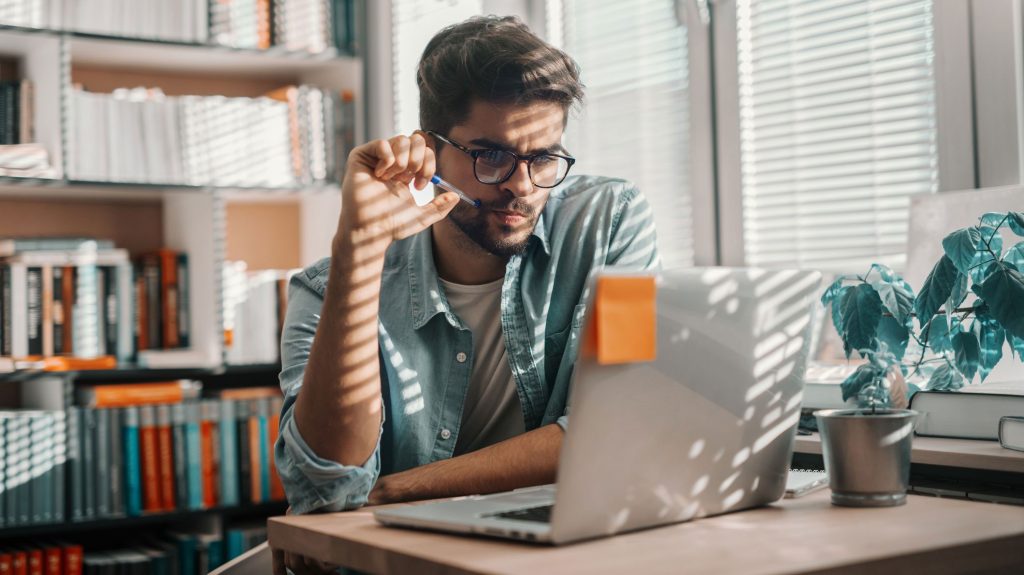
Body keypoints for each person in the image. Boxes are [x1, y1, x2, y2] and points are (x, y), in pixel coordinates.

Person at [272, 15, 659, 574]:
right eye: (491, 155)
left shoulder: (611, 223)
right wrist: (359, 248)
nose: (522, 187)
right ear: (430, 152)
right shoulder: (323, 289)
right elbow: (326, 488)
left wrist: (393, 490)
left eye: (544, 156)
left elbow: (612, 431)